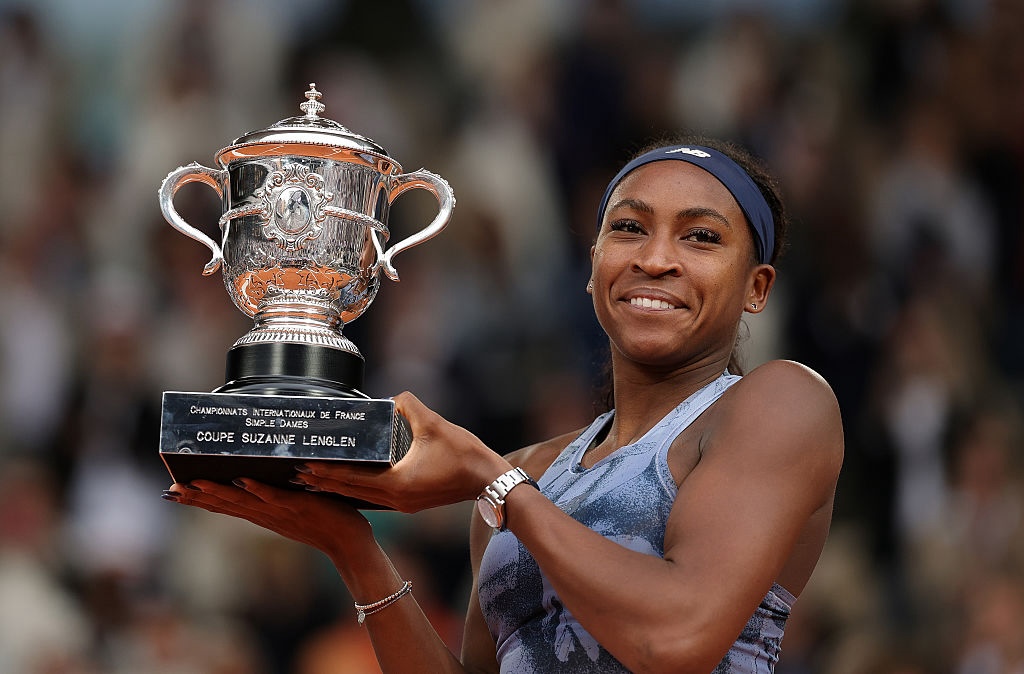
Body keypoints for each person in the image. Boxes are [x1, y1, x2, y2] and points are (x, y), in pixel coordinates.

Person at [162, 135, 845, 673]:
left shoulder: (782, 402)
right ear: (593, 264)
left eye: (701, 237)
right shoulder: (530, 472)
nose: (656, 258)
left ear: (757, 288)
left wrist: (494, 482)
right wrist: (352, 547)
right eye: (629, 228)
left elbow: (676, 639)